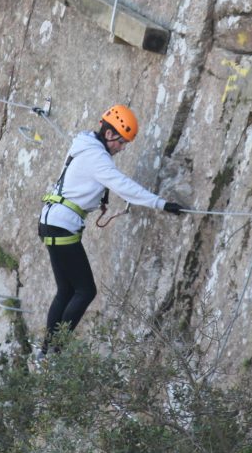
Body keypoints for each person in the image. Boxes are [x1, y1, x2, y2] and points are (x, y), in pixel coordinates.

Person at [37, 104, 186, 353]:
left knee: (66, 290)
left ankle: (46, 351)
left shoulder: (84, 144)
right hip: (62, 226)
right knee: (85, 291)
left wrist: (99, 196)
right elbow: (124, 186)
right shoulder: (97, 157)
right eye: (121, 141)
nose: (122, 147)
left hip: (51, 222)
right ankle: (54, 351)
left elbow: (85, 179)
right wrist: (162, 204)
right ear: (109, 134)